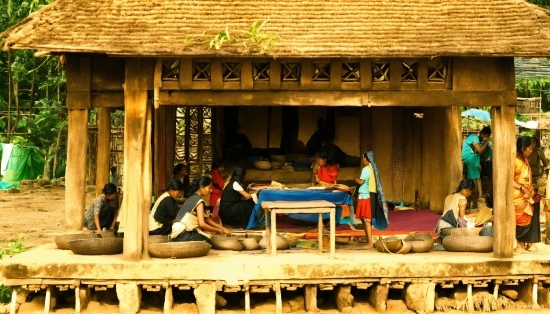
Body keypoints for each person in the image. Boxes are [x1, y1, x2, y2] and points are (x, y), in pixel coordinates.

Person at [171, 176, 231, 243]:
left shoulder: (192, 197)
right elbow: (202, 224)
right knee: (208, 240)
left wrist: (222, 228)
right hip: (183, 232)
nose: (211, 190)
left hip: (176, 231)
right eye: (209, 188)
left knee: (207, 236)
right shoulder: (199, 200)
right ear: (201, 187)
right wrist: (218, 230)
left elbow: (206, 219)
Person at [514, 136, 541, 252]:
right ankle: (520, 244)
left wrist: (531, 190)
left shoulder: (524, 160)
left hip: (526, 195)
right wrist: (523, 188)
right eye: (529, 148)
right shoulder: (515, 160)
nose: (531, 151)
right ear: (523, 148)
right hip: (517, 196)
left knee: (535, 205)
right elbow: (509, 179)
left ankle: (529, 242)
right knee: (523, 216)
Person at [461, 126, 492, 205]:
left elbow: (483, 155)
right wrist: (486, 142)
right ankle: (473, 202)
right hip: (470, 161)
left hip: (474, 163)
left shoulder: (480, 141)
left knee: (477, 182)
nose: (486, 138)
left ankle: (474, 201)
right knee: (474, 184)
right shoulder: (474, 137)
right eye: (486, 136)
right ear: (484, 134)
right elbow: (479, 150)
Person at [365, 151, 389, 231]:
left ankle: (372, 224)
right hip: (375, 190)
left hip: (370, 190)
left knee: (371, 208)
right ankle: (374, 223)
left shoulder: (368, 168)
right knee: (375, 207)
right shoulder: (375, 167)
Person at [354, 152, 373, 248]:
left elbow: (361, 182)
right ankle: (368, 240)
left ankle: (370, 242)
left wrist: (355, 179)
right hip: (369, 195)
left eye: (363, 158)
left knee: (366, 219)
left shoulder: (366, 169)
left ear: (365, 158)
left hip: (364, 195)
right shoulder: (374, 169)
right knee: (364, 219)